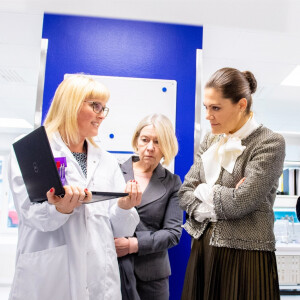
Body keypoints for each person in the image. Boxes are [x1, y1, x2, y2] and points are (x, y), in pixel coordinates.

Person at [8, 74, 142, 300]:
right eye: (95, 106)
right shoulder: (32, 149)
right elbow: (30, 214)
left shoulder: (107, 161)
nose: (101, 115)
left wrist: (124, 206)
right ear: (70, 104)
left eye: (104, 108)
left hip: (99, 276)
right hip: (50, 276)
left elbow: (121, 230)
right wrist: (60, 209)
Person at [179, 67, 285, 300]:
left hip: (246, 253)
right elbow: (185, 192)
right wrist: (223, 196)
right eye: (206, 107)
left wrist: (205, 191)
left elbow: (242, 202)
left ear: (241, 105)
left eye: (216, 108)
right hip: (204, 250)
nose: (208, 115)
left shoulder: (270, 143)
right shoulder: (211, 139)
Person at [114, 114, 183, 300]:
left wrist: (132, 244)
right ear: (137, 141)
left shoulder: (173, 183)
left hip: (152, 278)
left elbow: (173, 233)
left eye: (158, 142)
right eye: (145, 140)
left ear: (166, 147)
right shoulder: (114, 171)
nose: (150, 147)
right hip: (112, 268)